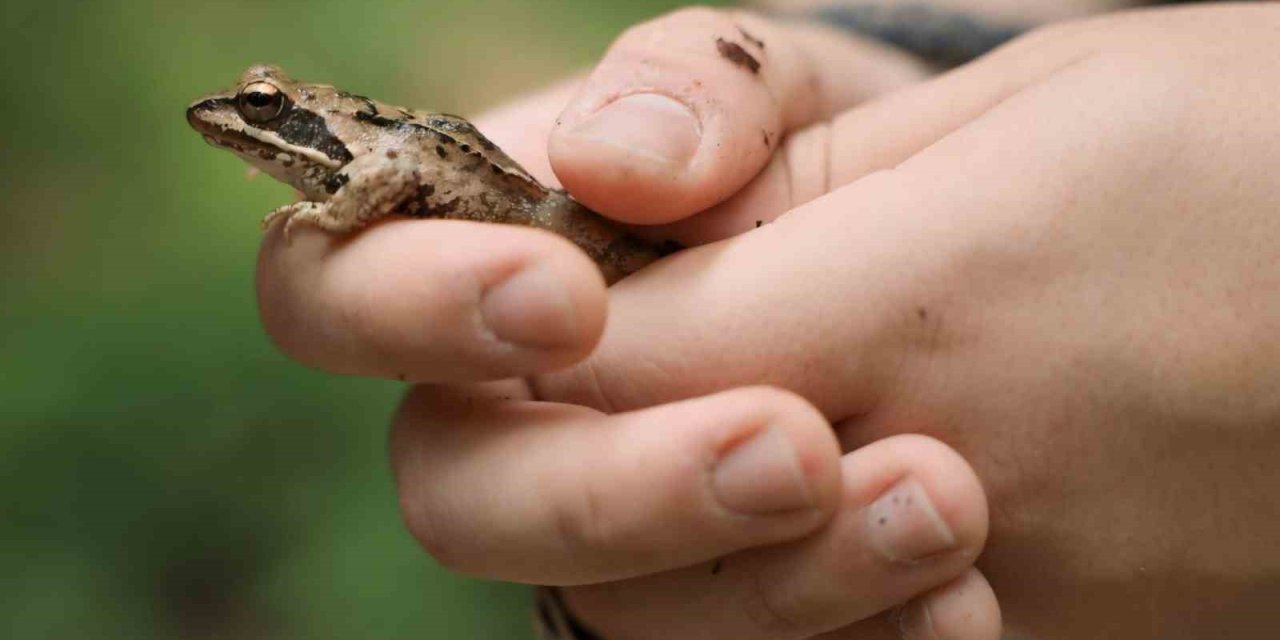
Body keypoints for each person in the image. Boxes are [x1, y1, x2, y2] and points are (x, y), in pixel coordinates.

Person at [253, 1, 1280, 638]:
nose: (246, 118)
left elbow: (381, 175)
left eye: (263, 107)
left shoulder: (358, 152)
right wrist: (904, 62)